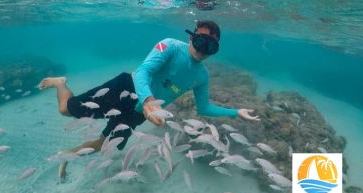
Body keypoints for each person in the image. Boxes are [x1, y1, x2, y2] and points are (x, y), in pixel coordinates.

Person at [38, 20, 260, 180]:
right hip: (126, 88)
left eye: (211, 47)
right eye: (201, 42)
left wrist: (235, 112)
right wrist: (148, 103)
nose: (203, 50)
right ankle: (60, 83)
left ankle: (68, 155)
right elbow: (144, 72)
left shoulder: (202, 76)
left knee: (106, 144)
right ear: (191, 37)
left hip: (141, 111)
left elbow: (204, 107)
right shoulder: (170, 46)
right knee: (66, 110)